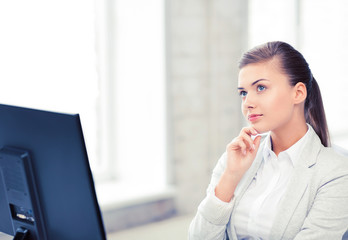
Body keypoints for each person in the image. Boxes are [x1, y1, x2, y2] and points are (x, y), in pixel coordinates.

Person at [188, 41, 348, 240]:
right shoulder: (234, 159)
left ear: (298, 93)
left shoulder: (337, 172)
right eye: (243, 93)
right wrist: (230, 176)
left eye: (261, 88)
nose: (248, 103)